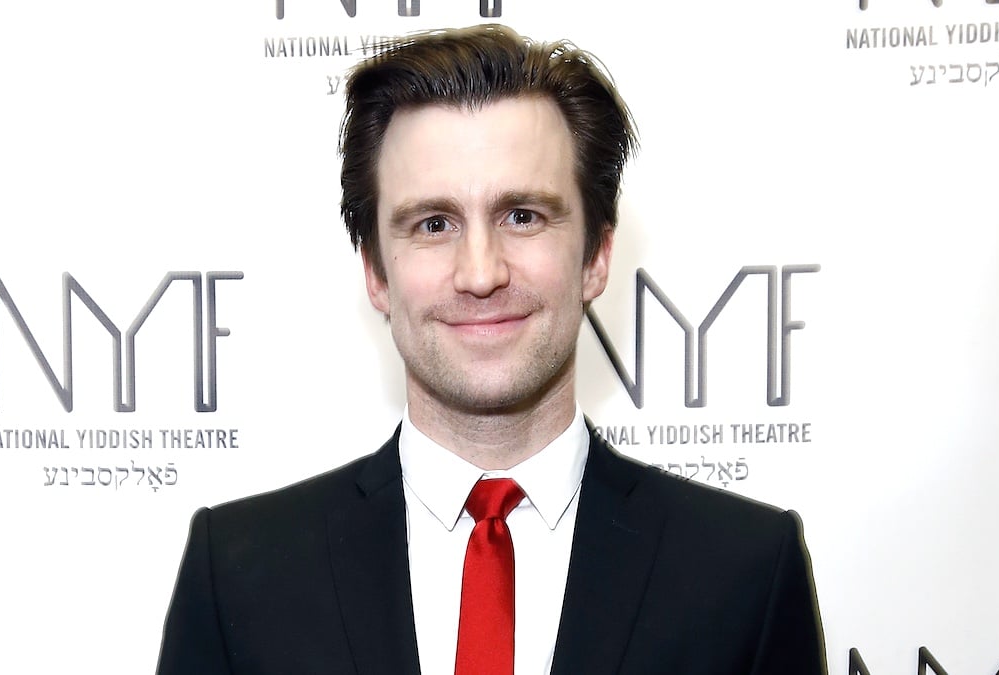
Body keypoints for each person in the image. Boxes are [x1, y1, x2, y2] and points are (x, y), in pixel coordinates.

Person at [157, 24, 826, 675]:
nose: (481, 273)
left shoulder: (746, 574)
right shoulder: (240, 575)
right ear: (376, 272)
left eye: (523, 215)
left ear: (596, 254)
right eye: (434, 223)